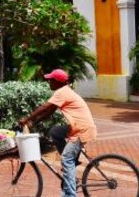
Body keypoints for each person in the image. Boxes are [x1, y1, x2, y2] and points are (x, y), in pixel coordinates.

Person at [18, 69, 97, 197]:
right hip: (78, 126)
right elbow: (49, 112)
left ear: (58, 82)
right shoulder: (64, 91)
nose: (49, 82)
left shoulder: (62, 92)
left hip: (82, 130)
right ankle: (72, 163)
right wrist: (34, 122)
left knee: (66, 159)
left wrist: (27, 119)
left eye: (51, 80)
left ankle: (70, 194)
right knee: (55, 132)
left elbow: (45, 107)